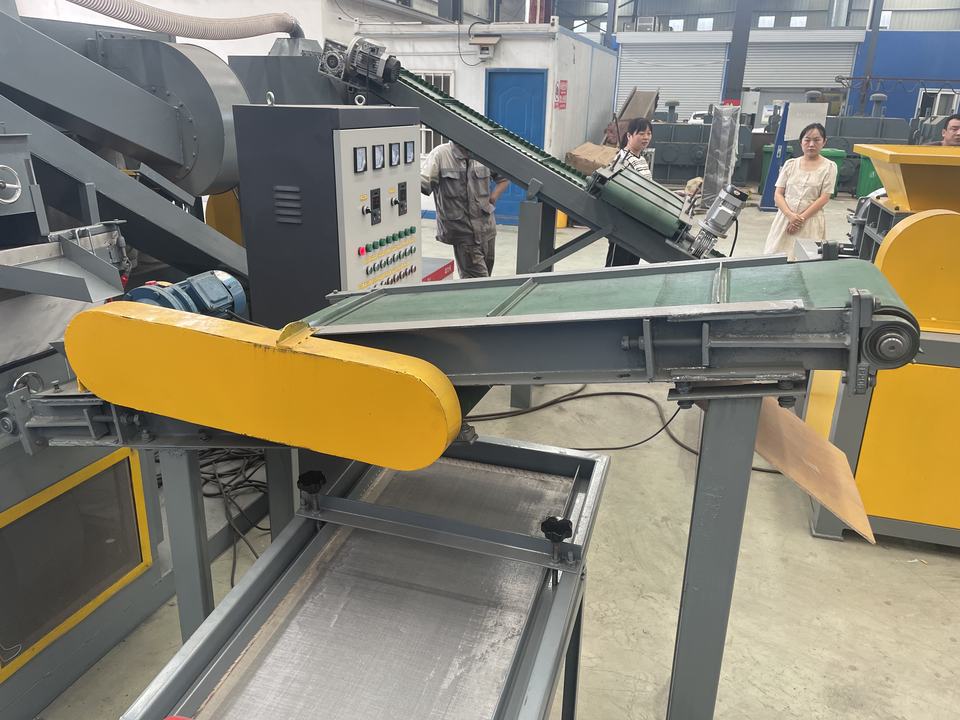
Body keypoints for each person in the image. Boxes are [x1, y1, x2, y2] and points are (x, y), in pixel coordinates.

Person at [421, 141, 509, 278]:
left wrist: (493, 198)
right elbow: (423, 184)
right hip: (462, 231)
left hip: (487, 229)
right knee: (478, 281)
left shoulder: (484, 152)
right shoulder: (441, 155)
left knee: (486, 278)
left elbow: (504, 178)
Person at [763, 122, 838, 258]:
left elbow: (824, 198)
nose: (811, 144)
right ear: (801, 142)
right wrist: (790, 215)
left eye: (816, 140)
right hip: (785, 219)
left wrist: (800, 220)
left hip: (810, 222)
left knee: (804, 260)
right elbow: (778, 194)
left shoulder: (829, 167)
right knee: (776, 258)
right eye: (807, 140)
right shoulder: (790, 164)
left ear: (824, 142)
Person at [606, 118, 654, 266]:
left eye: (649, 133)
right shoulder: (622, 159)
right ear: (629, 135)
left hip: (638, 221)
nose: (646, 137)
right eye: (641, 133)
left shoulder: (641, 159)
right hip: (623, 222)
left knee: (631, 265)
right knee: (617, 265)